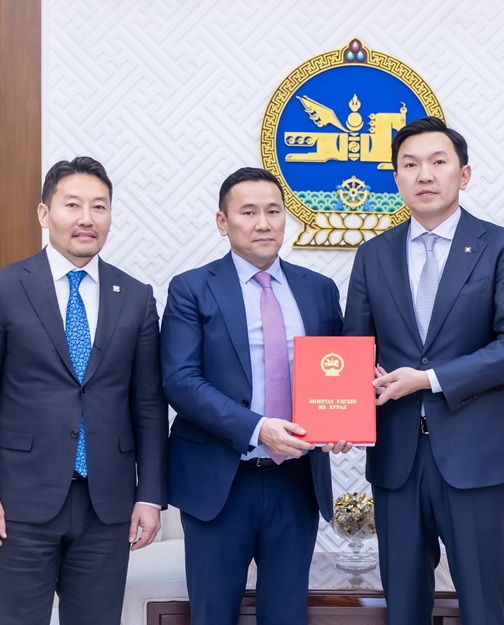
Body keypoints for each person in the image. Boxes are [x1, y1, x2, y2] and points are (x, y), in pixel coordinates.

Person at [0, 156, 169, 625]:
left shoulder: (135, 297)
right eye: (72, 204)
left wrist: (150, 495)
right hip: (19, 504)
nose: (86, 218)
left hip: (107, 506)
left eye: (99, 206)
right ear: (44, 213)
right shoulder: (2, 289)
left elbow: (149, 406)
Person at [343, 116, 504, 625]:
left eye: (437, 162)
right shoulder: (373, 255)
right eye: (410, 165)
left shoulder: (501, 248)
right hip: (397, 457)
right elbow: (356, 350)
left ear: (463, 174)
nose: (424, 174)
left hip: (476, 454)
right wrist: (340, 416)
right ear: (396, 179)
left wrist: (428, 379)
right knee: (403, 603)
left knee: (482, 600)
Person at [162, 167, 351, 625]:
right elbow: (180, 381)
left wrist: (344, 422)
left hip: (296, 480)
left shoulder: (319, 290)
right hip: (219, 480)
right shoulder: (192, 288)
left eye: (273, 211)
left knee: (286, 614)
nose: (263, 223)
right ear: (222, 222)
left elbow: (338, 373)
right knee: (213, 615)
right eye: (248, 212)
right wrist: (257, 428)